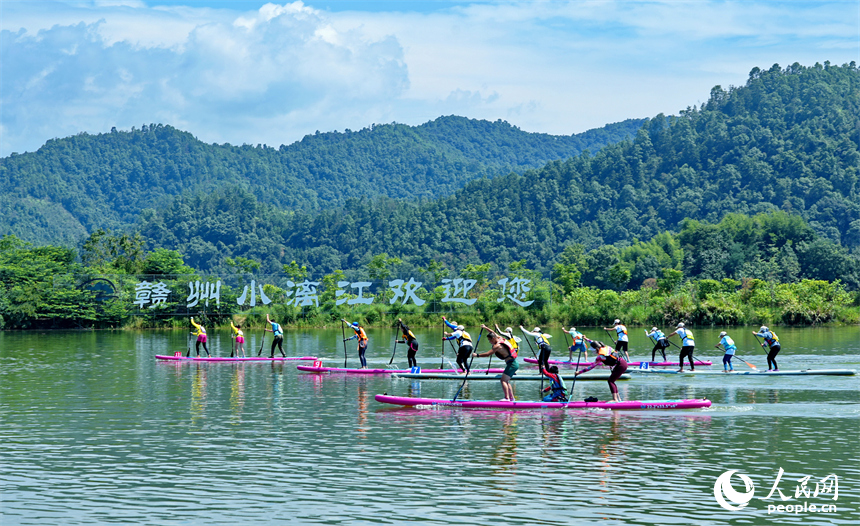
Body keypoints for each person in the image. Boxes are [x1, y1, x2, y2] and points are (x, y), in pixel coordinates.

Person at [474, 326, 518, 401]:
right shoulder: (500, 338)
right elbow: (492, 332)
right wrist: (485, 327)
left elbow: (488, 354)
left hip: (512, 364)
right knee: (506, 381)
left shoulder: (497, 346)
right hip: (513, 363)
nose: (489, 342)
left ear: (493, 339)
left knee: (503, 380)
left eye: (489, 340)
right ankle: (512, 398)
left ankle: (506, 398)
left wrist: (477, 355)